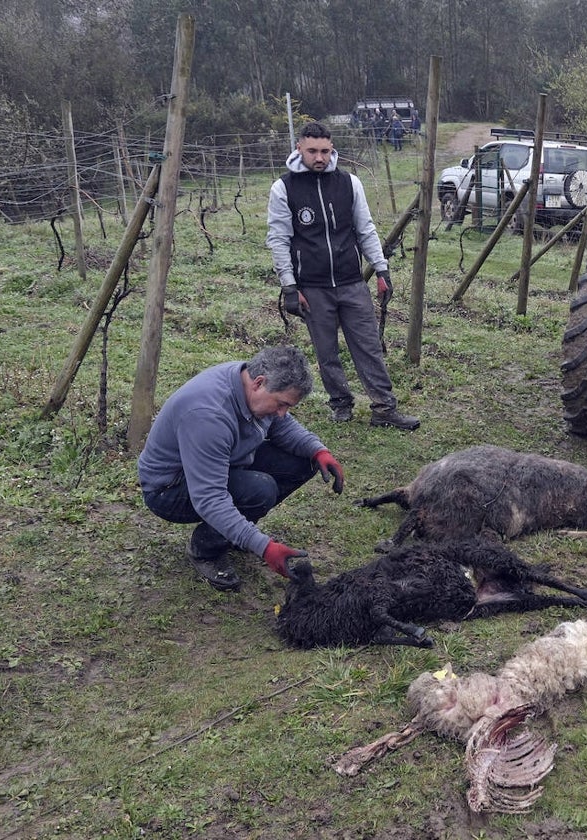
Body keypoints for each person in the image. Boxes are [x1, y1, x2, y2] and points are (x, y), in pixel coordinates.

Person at [138, 346, 345, 592]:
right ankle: (206, 550)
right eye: (281, 404)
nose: (282, 413)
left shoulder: (248, 381)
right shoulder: (208, 415)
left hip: (222, 463)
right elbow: (209, 498)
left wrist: (318, 450)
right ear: (259, 383)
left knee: (304, 459)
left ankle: (233, 530)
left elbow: (281, 426)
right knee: (260, 490)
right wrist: (264, 547)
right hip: (169, 487)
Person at [267, 120, 419, 430]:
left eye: (324, 151)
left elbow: (365, 229)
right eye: (312, 151)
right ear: (299, 149)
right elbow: (278, 239)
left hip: (351, 282)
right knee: (326, 350)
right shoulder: (284, 188)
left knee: (368, 346)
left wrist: (381, 269)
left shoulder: (350, 183)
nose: (319, 157)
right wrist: (290, 287)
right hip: (312, 286)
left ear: (332, 148)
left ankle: (384, 408)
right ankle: (340, 402)